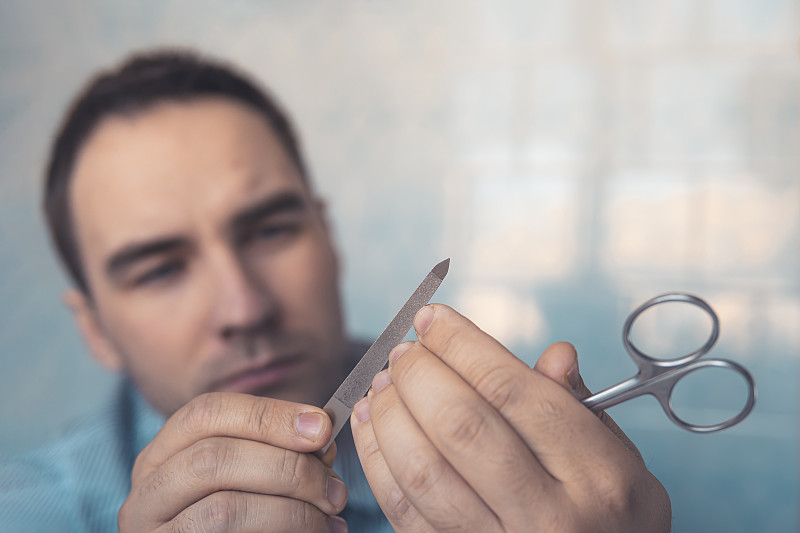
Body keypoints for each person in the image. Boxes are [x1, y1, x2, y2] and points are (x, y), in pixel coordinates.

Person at [0, 49, 671, 532]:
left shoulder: (524, 464)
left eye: (270, 230)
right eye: (159, 270)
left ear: (329, 237)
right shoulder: (28, 512)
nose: (245, 307)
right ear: (94, 328)